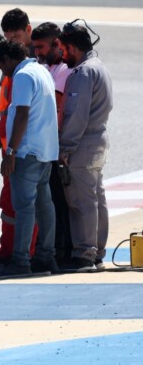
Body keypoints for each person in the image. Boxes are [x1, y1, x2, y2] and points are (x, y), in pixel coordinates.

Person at [0, 40, 59, 277]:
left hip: (26, 151)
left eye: (1, 66)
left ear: (8, 59)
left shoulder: (22, 76)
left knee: (24, 207)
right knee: (44, 205)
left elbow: (22, 114)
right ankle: (46, 258)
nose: (2, 72)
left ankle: (20, 261)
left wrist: (11, 151)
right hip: (45, 150)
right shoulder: (42, 71)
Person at [57, 20, 113, 272]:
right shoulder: (99, 67)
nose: (61, 54)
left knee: (81, 201)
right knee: (96, 197)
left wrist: (65, 148)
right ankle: (97, 252)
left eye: (63, 48)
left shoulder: (82, 73)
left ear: (72, 47)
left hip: (83, 143)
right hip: (98, 139)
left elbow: (76, 116)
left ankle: (84, 255)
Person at [31, 22, 74, 264]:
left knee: (58, 202)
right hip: (50, 146)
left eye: (41, 47)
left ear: (56, 44)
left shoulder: (64, 71)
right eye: (35, 47)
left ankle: (61, 252)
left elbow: (53, 107)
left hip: (56, 147)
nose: (37, 52)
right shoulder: (48, 68)